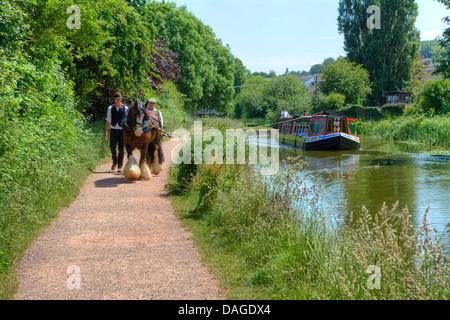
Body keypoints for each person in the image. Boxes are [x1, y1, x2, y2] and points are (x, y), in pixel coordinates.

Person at [104, 92, 128, 172]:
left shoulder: (126, 108)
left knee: (121, 149)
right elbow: (108, 121)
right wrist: (106, 132)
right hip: (113, 130)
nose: (118, 100)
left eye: (119, 98)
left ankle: (120, 166)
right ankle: (114, 161)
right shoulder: (110, 108)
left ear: (121, 99)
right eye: (117, 99)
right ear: (114, 99)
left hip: (122, 131)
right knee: (112, 147)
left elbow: (128, 121)